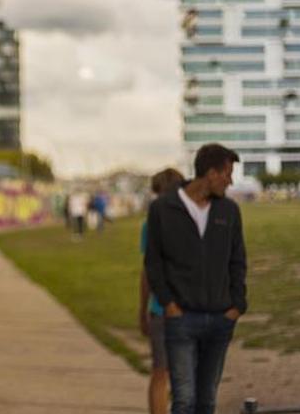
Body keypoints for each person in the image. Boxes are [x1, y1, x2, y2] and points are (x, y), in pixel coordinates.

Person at [145, 143, 247, 414]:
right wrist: (168, 304)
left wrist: (237, 305)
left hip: (220, 319)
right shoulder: (162, 209)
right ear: (211, 173)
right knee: (184, 400)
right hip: (181, 320)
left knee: (206, 401)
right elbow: (153, 263)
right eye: (227, 173)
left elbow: (238, 262)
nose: (230, 180)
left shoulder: (229, 211)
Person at [139, 168, 185, 414]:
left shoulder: (150, 224)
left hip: (159, 309)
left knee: (160, 373)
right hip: (189, 308)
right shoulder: (193, 221)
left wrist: (142, 309)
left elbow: (147, 272)